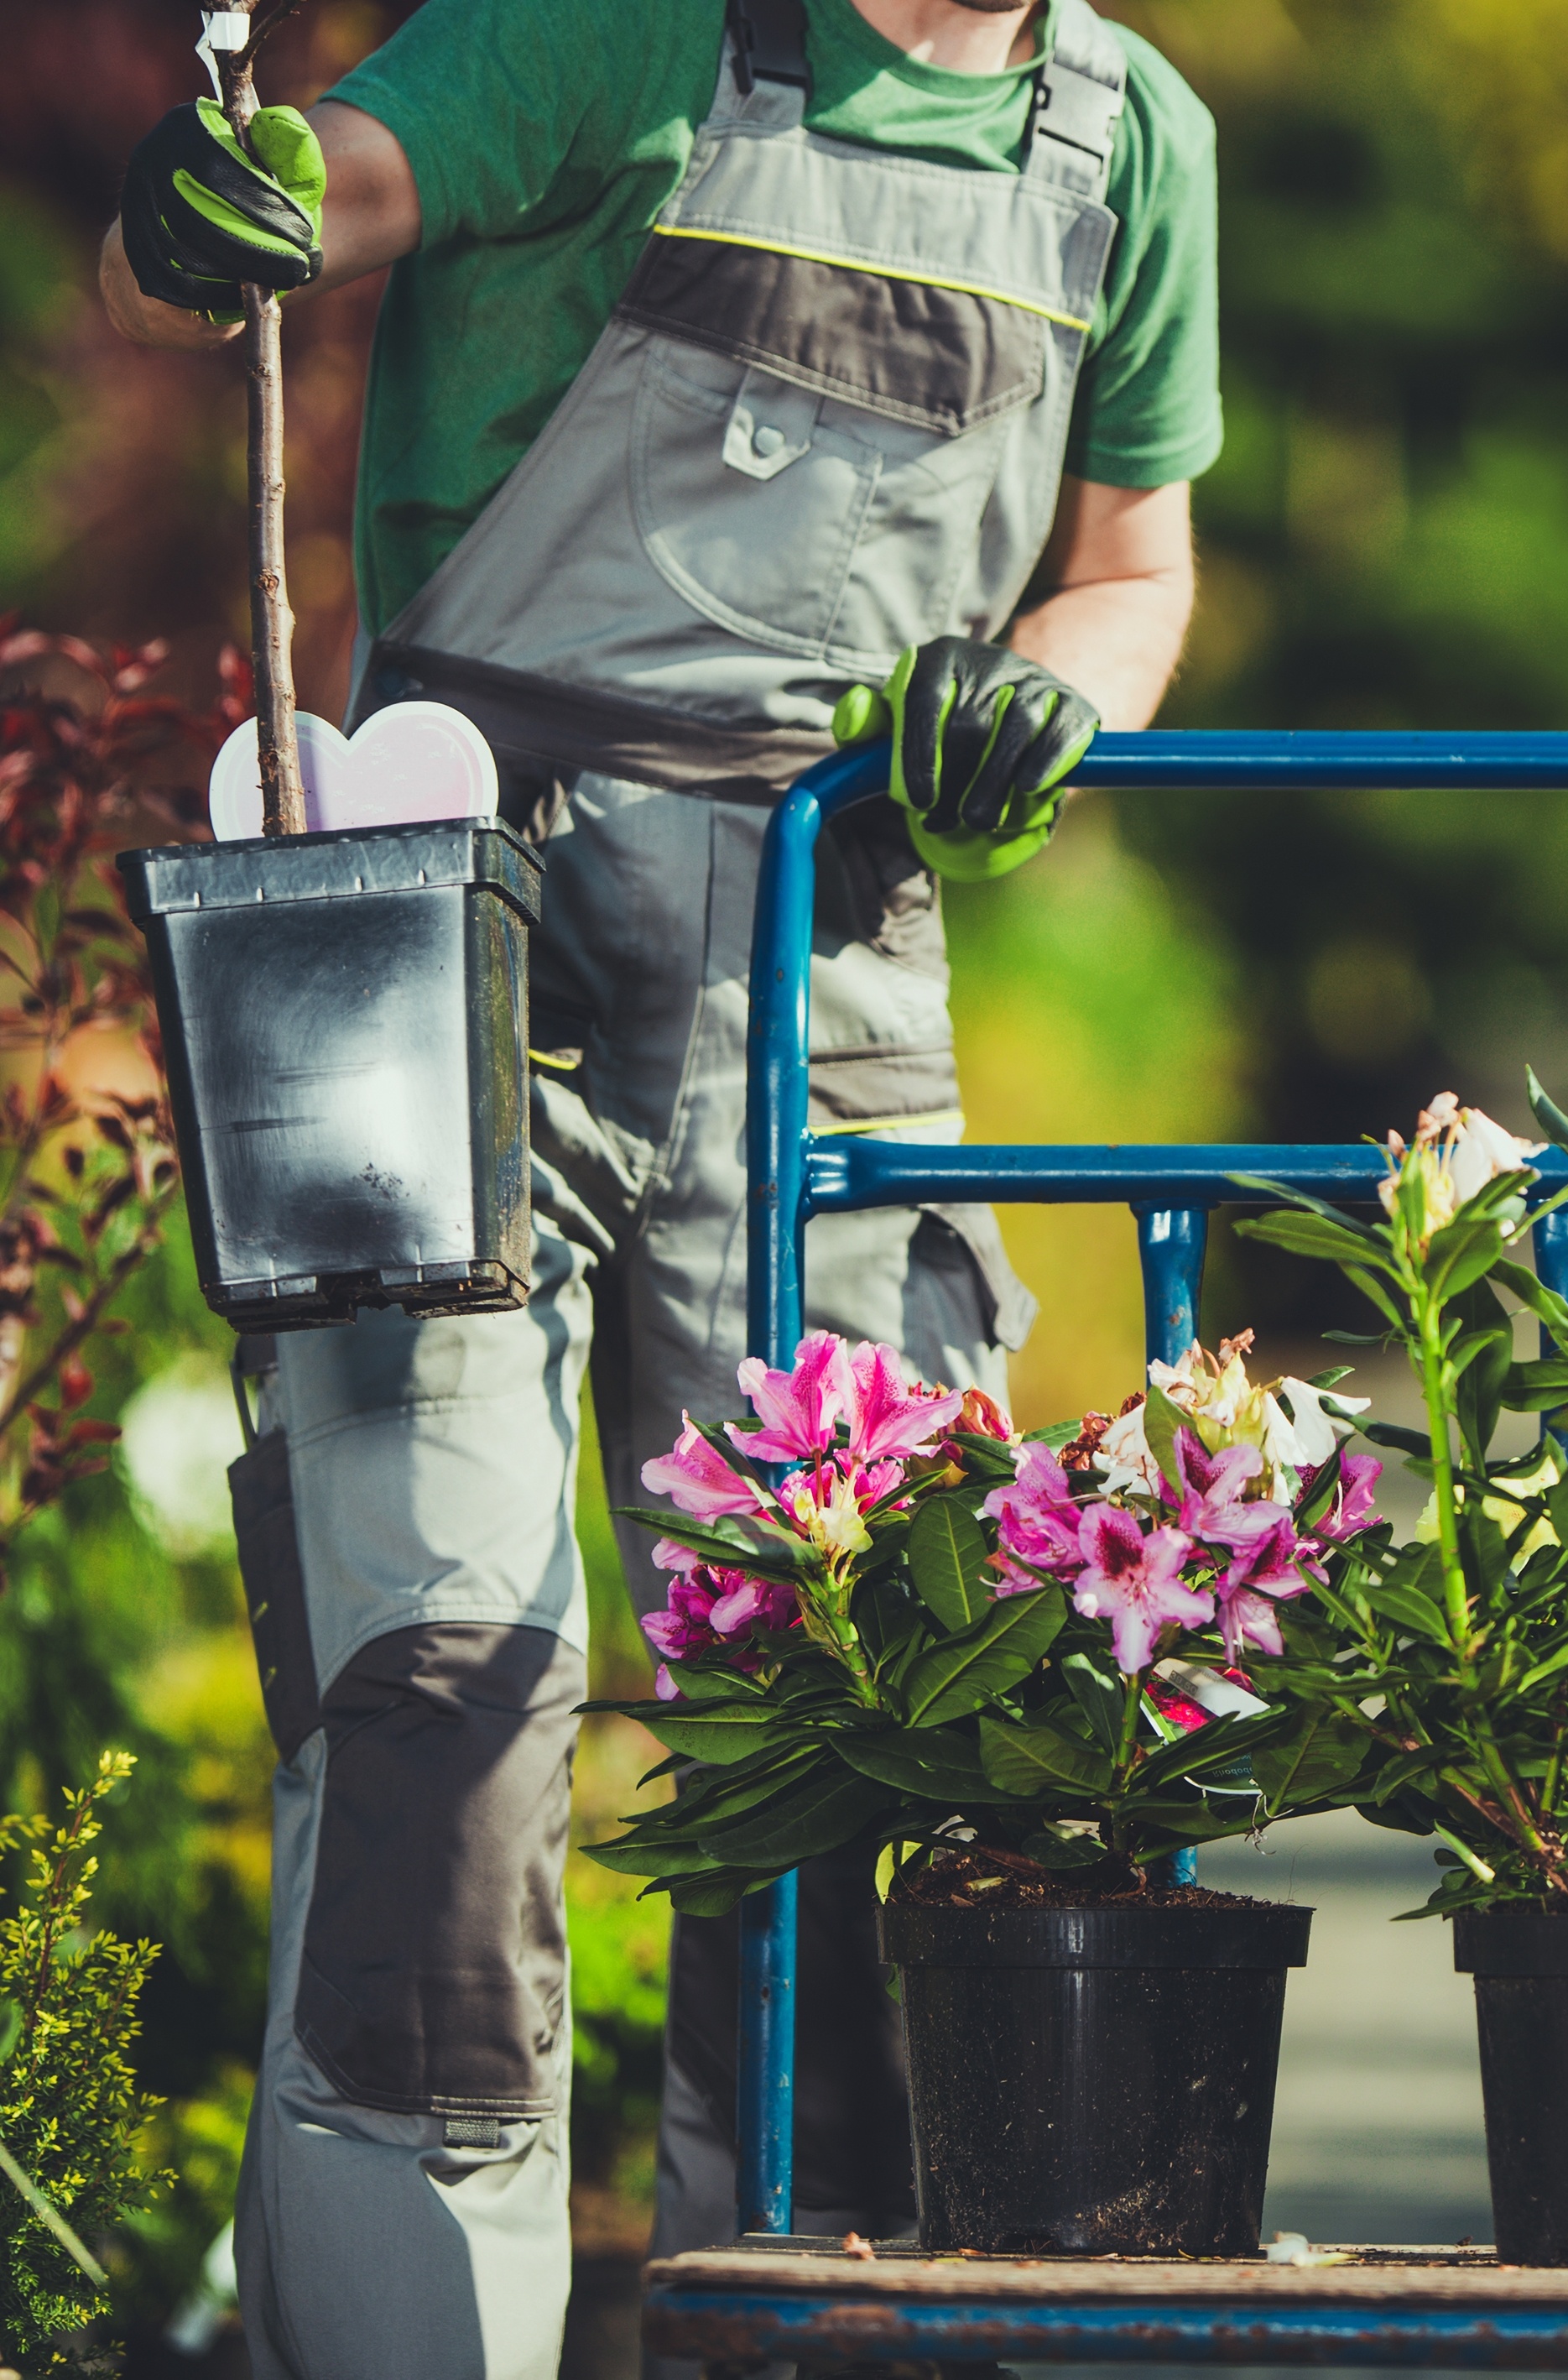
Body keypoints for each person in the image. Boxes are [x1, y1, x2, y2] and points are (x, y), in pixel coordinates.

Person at [102, 0, 1216, 2371]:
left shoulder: (1132, 149)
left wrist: (1062, 696)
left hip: (837, 974)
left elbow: (1132, 560)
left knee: (866, 1723)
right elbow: (337, 184)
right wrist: (220, 208)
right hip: (466, 953)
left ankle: (798, 2317)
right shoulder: (620, 34)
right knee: (447, 1707)